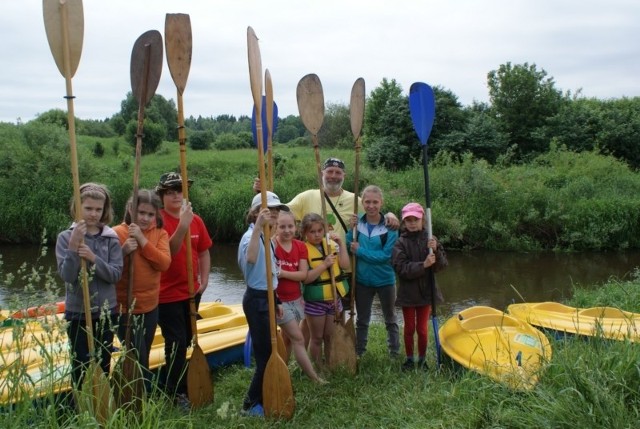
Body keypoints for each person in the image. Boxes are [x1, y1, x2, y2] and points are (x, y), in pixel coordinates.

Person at [55, 183, 123, 387]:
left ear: (105, 210)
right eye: (88, 208)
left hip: (105, 312)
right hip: (77, 312)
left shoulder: (110, 239)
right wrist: (74, 247)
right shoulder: (66, 237)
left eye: (98, 209)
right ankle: (79, 409)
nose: (93, 214)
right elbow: (67, 276)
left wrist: (93, 258)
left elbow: (115, 274)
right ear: (78, 208)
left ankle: (101, 408)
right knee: (80, 364)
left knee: (103, 363)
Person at [155, 172, 213, 406]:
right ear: (162, 196)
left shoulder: (195, 219)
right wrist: (182, 225)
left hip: (192, 292)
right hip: (165, 293)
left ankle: (176, 382)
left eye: (180, 190)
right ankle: (175, 392)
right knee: (176, 341)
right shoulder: (156, 220)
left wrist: (205, 280)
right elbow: (167, 253)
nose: (177, 195)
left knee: (186, 340)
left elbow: (204, 250)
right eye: (170, 191)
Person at [113, 189, 171, 388]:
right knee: (136, 354)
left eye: (150, 214)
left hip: (150, 307)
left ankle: (138, 393)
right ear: (130, 209)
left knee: (143, 350)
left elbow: (164, 263)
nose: (145, 218)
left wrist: (142, 240)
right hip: (125, 308)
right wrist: (123, 251)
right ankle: (139, 394)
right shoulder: (117, 233)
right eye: (141, 213)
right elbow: (107, 270)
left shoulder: (160, 233)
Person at [238, 191, 288, 417]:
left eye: (277, 212)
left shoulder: (267, 237)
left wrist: (276, 299)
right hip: (256, 300)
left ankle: (262, 395)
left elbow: (270, 274)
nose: (275, 217)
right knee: (265, 354)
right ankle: (250, 405)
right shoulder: (252, 237)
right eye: (271, 212)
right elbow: (250, 259)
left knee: (269, 350)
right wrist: (258, 226)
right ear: (257, 213)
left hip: (267, 297)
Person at [392, 202, 447, 371]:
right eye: (408, 220)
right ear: (403, 222)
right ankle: (409, 359)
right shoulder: (400, 243)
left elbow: (441, 266)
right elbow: (400, 268)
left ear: (423, 220)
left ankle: (422, 360)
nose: (412, 223)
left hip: (426, 293)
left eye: (415, 219)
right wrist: (423, 265)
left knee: (422, 329)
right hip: (408, 294)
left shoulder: (431, 239)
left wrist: (436, 251)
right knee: (409, 329)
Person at [346, 185, 399, 358]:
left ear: (381, 203)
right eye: (367, 202)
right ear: (362, 202)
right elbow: (349, 244)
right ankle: (359, 352)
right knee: (362, 320)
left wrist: (360, 251)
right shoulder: (357, 222)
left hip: (385, 281)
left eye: (375, 202)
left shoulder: (390, 227)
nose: (371, 206)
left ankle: (394, 352)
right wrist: (349, 229)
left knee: (390, 319)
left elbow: (385, 256)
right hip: (363, 281)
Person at [273, 210, 326, 383]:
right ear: (275, 228)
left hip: (296, 299)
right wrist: (284, 274)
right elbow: (270, 275)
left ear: (296, 227)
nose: (287, 230)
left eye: (290, 226)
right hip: (279, 301)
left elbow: (303, 275)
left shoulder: (300, 246)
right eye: (282, 226)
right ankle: (314, 377)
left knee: (287, 338)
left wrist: (281, 273)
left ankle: (282, 371)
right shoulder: (272, 245)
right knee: (298, 337)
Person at [301, 212, 351, 368]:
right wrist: (324, 265)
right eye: (312, 232)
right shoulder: (303, 250)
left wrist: (341, 245)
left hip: (333, 298)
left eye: (319, 231)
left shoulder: (331, 245)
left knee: (329, 336)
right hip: (315, 301)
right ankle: (316, 367)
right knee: (316, 338)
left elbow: (344, 265)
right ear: (305, 233)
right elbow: (306, 278)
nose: (316, 235)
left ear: (324, 230)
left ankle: (329, 364)